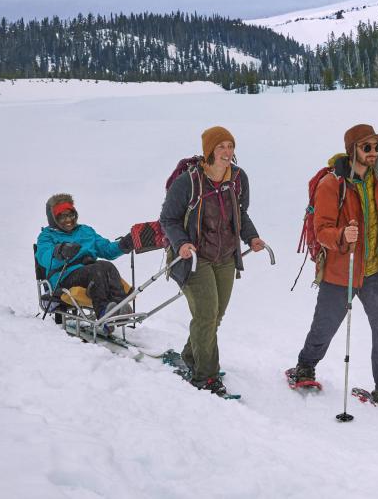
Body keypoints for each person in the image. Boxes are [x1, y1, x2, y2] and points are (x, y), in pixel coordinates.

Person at [292, 123, 378, 408]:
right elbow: (322, 230)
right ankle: (305, 367)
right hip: (341, 271)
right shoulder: (332, 184)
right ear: (352, 149)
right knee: (325, 327)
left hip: (376, 271)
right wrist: (342, 235)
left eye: (376, 147)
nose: (373, 152)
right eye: (366, 147)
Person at [160, 126, 265, 395]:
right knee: (206, 315)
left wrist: (252, 237)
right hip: (194, 258)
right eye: (221, 147)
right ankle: (205, 376)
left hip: (225, 256)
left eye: (230, 146)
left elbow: (240, 213)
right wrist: (182, 243)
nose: (227, 152)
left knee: (215, 315)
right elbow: (168, 219)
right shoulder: (188, 182)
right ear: (209, 150)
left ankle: (192, 355)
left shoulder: (238, 178)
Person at [35, 193, 134, 320]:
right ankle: (104, 313)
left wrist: (123, 244)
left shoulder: (86, 231)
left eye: (71, 215)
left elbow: (106, 249)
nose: (68, 220)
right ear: (53, 219)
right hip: (64, 276)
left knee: (107, 266)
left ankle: (119, 308)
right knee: (96, 270)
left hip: (90, 274)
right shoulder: (47, 236)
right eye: (62, 217)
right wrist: (59, 251)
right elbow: (43, 256)